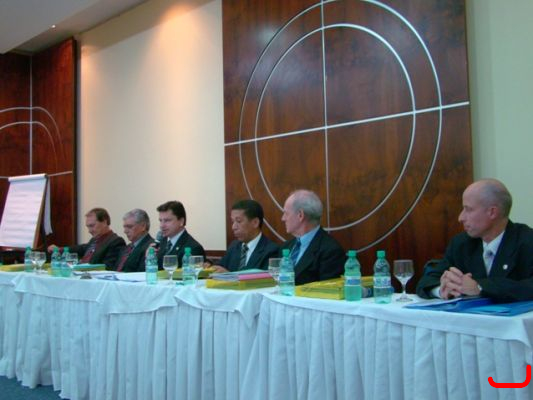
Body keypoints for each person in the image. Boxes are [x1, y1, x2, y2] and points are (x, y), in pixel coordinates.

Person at [416, 179, 533, 302]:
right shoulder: (461, 244)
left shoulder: (527, 241)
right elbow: (427, 281)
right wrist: (442, 289)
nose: (460, 218)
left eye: (468, 209)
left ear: (492, 212)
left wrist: (479, 287)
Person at [280, 189, 346, 285]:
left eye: (286, 213)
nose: (283, 218)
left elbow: (327, 290)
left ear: (300, 215)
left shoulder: (330, 251)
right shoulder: (286, 247)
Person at [214, 199, 279, 272]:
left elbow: (266, 278)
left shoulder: (271, 251)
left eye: (238, 221)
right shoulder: (234, 246)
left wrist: (229, 275)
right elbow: (220, 267)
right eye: (233, 221)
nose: (233, 227)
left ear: (255, 223)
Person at [48, 207, 125, 267]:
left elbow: (107, 267)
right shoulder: (94, 240)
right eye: (88, 227)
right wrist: (59, 249)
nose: (89, 231)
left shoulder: (116, 241)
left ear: (104, 222)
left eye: (92, 226)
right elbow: (81, 248)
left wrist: (82, 267)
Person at [156, 200, 205, 268]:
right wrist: (149, 258)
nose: (162, 225)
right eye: (160, 221)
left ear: (181, 221)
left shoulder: (194, 248)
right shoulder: (161, 243)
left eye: (167, 220)